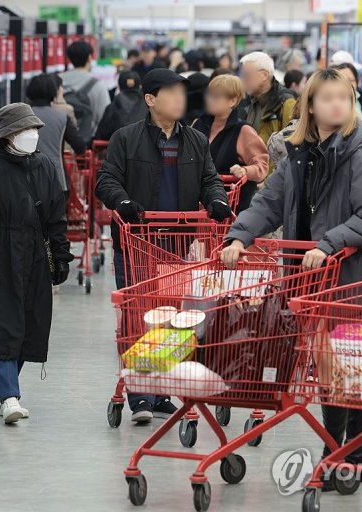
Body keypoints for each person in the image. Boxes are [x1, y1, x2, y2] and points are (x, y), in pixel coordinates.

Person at [221, 69, 362, 476]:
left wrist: (329, 242)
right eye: (328, 98)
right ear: (311, 106)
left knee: (352, 364)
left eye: (344, 97)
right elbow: (270, 201)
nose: (337, 105)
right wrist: (239, 236)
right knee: (328, 366)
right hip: (317, 276)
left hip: (356, 273)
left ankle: (352, 454)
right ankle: (336, 449)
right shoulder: (301, 150)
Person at [95, 68, 232, 423]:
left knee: (170, 319)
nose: (179, 99)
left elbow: (209, 180)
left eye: (181, 93)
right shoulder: (126, 138)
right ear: (150, 99)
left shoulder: (195, 140)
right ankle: (140, 395)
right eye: (170, 92)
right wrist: (123, 202)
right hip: (137, 243)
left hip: (176, 244)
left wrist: (216, 200)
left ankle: (160, 394)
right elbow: (106, 181)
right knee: (137, 316)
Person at [0, 103, 70, 424]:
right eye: (25, 129)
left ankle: (2, 391)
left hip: (34, 253)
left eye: (34, 129)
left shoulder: (45, 166)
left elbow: (56, 216)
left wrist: (61, 255)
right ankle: (10, 396)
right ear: (7, 135)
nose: (31, 135)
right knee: (2, 323)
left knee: (28, 324)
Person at [192, 74, 269, 213]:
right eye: (209, 95)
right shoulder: (198, 124)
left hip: (231, 209)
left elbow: (262, 167)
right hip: (196, 207)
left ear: (233, 100)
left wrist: (244, 170)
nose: (209, 100)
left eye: (216, 97)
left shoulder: (243, 131)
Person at [26, 74, 86, 200]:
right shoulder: (62, 117)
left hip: (26, 180)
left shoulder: (22, 116)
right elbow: (79, 146)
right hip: (56, 179)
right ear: (54, 92)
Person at [239, 51, 297, 174]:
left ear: (264, 75)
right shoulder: (246, 102)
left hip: (274, 179)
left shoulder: (286, 102)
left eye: (247, 75)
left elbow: (293, 148)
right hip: (251, 175)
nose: (243, 80)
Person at [60, 41, 111, 146]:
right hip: (87, 144)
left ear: (70, 58)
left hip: (60, 141)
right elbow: (105, 117)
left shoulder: (57, 81)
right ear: (89, 58)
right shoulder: (98, 85)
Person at [94, 71, 148, 142]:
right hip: (145, 147)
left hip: (120, 147)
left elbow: (101, 135)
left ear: (119, 86)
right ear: (140, 86)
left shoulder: (112, 106)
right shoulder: (149, 105)